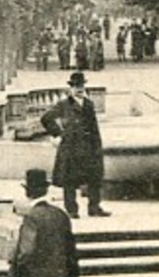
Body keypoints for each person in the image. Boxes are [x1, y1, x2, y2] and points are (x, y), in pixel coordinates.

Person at [41, 71, 110, 218]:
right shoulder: (63, 105)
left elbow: (94, 127)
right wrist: (58, 134)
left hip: (89, 147)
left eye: (81, 86)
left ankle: (94, 207)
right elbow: (46, 119)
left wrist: (97, 145)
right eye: (75, 86)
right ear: (70, 89)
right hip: (71, 147)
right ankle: (72, 210)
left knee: (94, 177)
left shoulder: (89, 104)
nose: (79, 89)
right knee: (70, 180)